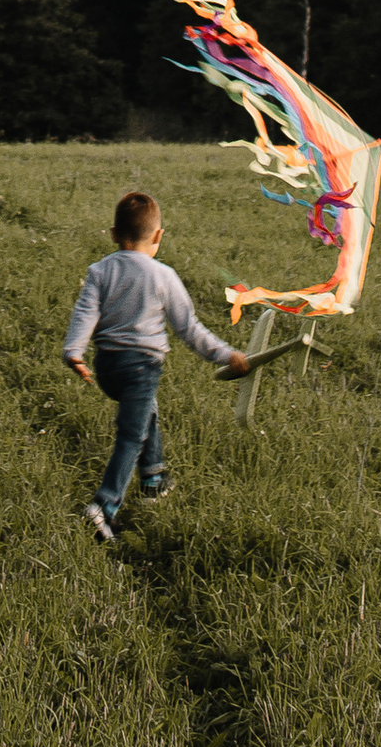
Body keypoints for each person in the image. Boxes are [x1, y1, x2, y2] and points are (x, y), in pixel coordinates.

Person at [62, 186, 250, 541]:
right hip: (141, 368)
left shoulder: (100, 270)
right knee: (130, 436)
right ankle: (104, 507)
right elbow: (189, 329)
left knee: (147, 410)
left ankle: (154, 477)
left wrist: (74, 351)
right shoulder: (163, 276)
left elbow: (85, 311)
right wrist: (227, 355)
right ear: (158, 236)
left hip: (107, 367)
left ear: (115, 234)